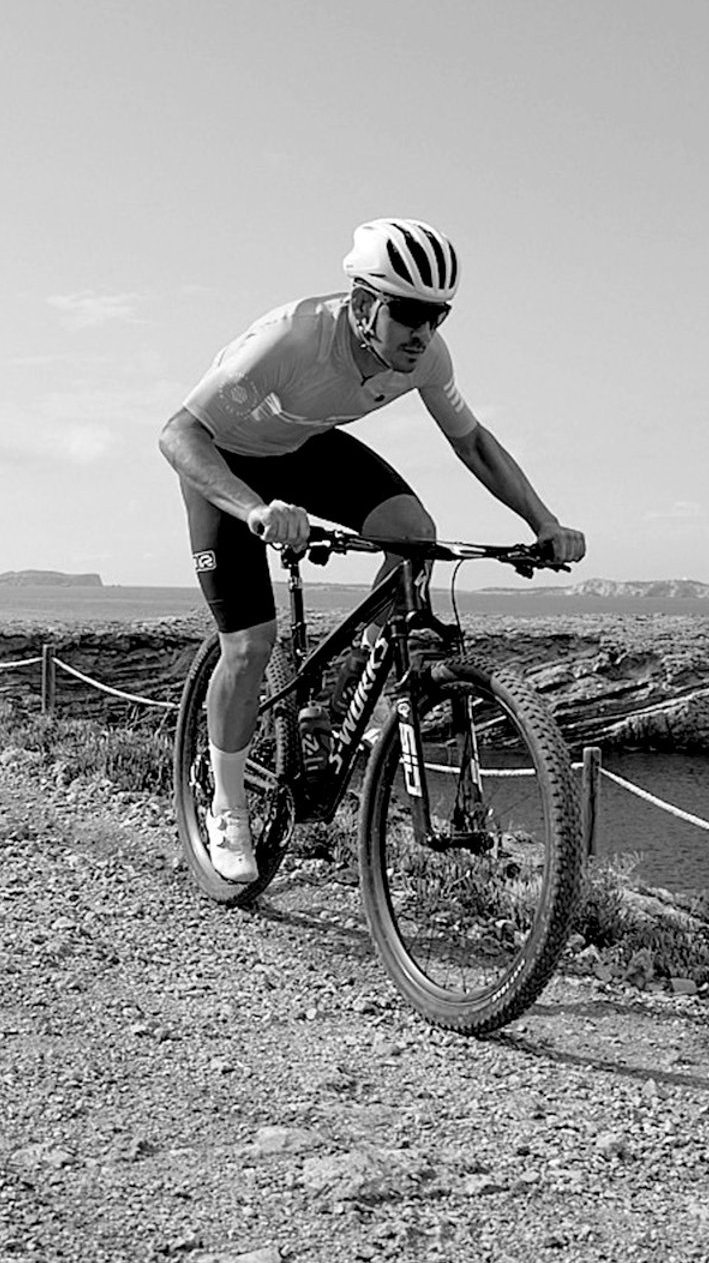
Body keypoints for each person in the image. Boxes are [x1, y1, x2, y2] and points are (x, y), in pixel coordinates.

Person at [159, 218, 586, 883]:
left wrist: (543, 521)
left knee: (414, 533)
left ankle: (354, 679)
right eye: (409, 313)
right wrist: (254, 510)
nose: (424, 332)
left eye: (437, 316)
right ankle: (227, 806)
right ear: (363, 305)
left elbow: (473, 443)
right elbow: (178, 434)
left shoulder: (428, 359)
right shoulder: (291, 339)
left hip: (303, 448)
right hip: (224, 461)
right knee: (249, 645)